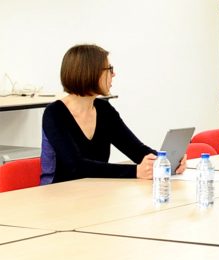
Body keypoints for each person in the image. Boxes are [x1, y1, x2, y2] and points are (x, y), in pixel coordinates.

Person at [40, 44, 186, 185]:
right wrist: (135, 171)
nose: (114, 74)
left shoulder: (104, 109)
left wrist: (166, 161)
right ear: (90, 72)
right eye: (109, 69)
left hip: (96, 191)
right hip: (59, 194)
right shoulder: (55, 114)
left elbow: (136, 149)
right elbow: (76, 166)